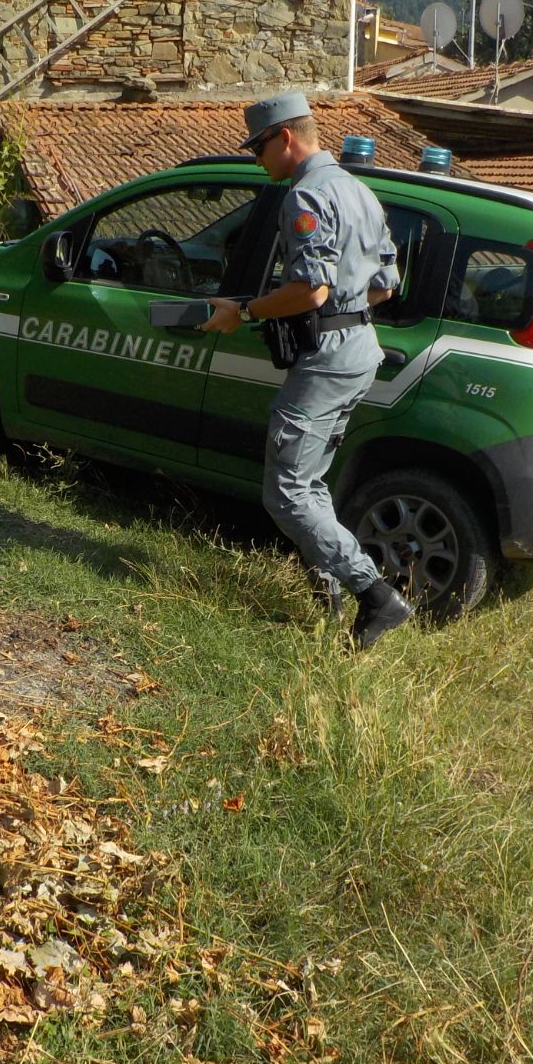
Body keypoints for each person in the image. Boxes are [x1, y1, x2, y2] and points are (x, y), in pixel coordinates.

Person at [202, 92, 414, 650]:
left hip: (328, 357)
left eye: (258, 149)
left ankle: (376, 596)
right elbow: (388, 284)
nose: (256, 161)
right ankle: (331, 586)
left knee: (286, 493)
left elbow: (309, 289)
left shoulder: (307, 196)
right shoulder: (361, 190)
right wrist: (346, 306)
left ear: (285, 138)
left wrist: (244, 311)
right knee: (310, 479)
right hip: (360, 348)